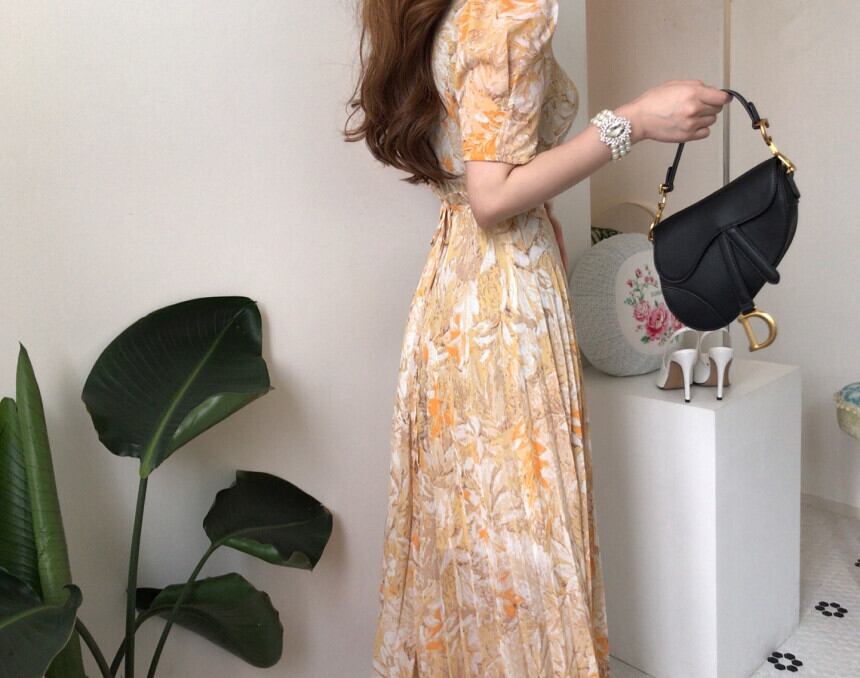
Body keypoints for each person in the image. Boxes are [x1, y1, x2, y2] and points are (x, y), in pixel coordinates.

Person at [344, 0, 731, 675]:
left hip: (454, 290)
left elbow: (480, 176)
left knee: (474, 534)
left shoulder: (444, 12)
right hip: (505, 304)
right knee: (522, 535)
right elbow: (492, 195)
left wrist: (545, 211)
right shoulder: (506, 9)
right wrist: (633, 121)